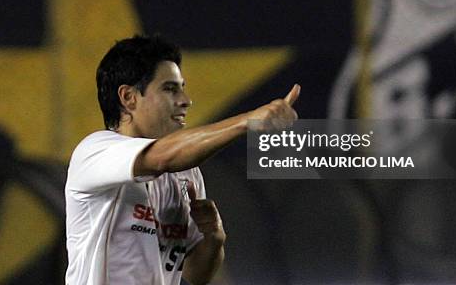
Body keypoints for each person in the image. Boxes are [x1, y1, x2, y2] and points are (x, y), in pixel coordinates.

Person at [65, 35, 300, 285]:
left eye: (182, 87)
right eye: (169, 88)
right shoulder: (94, 152)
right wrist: (247, 121)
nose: (185, 100)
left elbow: (191, 278)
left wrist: (212, 239)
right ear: (128, 97)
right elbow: (161, 157)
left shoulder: (185, 174)